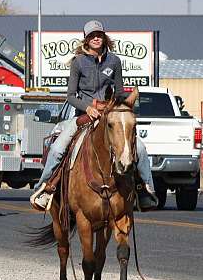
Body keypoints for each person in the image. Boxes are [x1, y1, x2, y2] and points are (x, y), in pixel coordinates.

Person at [30, 20, 158, 211]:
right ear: (86, 39)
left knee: (139, 149)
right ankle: (45, 188)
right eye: (92, 36)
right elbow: (70, 97)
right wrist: (88, 107)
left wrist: (130, 99)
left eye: (99, 35)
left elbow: (119, 91)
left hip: (109, 117)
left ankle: (145, 192)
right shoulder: (78, 63)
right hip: (84, 117)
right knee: (57, 149)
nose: (96, 38)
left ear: (104, 37)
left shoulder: (114, 61)